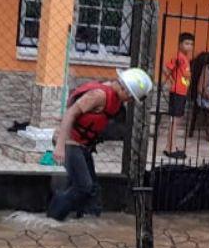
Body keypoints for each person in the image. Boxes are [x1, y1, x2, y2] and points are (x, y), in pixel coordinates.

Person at [48, 68, 153, 220]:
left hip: (81, 144)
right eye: (130, 98)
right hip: (68, 141)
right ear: (124, 89)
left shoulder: (115, 99)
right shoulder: (99, 95)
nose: (129, 101)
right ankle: (51, 219)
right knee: (84, 186)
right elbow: (70, 114)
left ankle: (89, 225)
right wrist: (59, 147)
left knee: (93, 190)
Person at [162, 32, 194, 159]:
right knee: (174, 120)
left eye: (191, 44)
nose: (189, 46)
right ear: (180, 44)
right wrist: (171, 81)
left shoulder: (185, 58)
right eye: (186, 43)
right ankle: (171, 148)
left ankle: (170, 146)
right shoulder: (179, 57)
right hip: (177, 92)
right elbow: (166, 69)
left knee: (176, 120)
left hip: (182, 92)